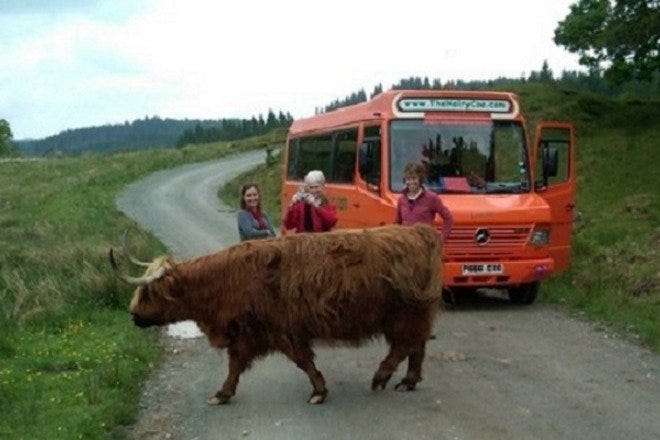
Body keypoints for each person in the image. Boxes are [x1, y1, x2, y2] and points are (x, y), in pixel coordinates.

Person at [395, 162, 453, 241]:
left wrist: (441, 239)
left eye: (414, 178)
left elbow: (448, 218)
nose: (411, 182)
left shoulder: (432, 198)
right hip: (407, 247)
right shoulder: (401, 199)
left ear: (420, 179)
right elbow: (397, 224)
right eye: (408, 179)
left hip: (425, 248)